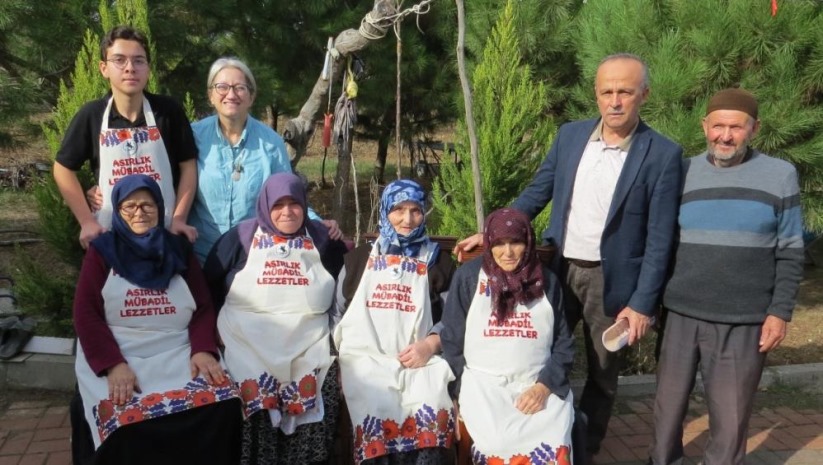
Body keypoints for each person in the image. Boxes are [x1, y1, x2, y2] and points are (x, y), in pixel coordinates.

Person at [455, 53, 683, 458]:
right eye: (606, 91)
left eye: (625, 92)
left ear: (643, 94)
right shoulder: (571, 136)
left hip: (614, 284)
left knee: (603, 371)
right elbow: (537, 192)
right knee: (541, 354)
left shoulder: (662, 154)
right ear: (595, 94)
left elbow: (660, 238)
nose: (615, 101)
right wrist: (493, 233)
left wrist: (642, 303)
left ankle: (584, 447)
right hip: (556, 270)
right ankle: (534, 434)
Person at [648, 88, 804, 465]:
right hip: (682, 313)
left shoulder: (780, 175)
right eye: (718, 125)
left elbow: (791, 250)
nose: (725, 136)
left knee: (731, 418)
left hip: (744, 318)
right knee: (666, 411)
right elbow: (661, 242)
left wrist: (779, 312)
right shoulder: (682, 171)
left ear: (754, 129)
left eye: (736, 127)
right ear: (704, 126)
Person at [73, 174, 243, 465]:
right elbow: (85, 312)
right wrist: (113, 365)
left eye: (148, 205)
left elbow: (202, 305)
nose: (140, 213)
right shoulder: (102, 252)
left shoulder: (178, 249)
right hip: (121, 352)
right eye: (130, 207)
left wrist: (202, 348)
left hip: (177, 349)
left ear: (160, 208)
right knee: (123, 420)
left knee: (222, 403)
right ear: (118, 210)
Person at [203, 172, 346, 465]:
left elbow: (352, 273)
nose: (287, 211)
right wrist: (211, 334)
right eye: (278, 204)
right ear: (265, 205)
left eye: (294, 204)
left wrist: (345, 239)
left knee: (323, 387)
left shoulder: (321, 238)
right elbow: (208, 284)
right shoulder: (240, 238)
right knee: (244, 392)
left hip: (308, 343)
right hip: (246, 344)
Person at [333, 179, 457, 464]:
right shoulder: (358, 260)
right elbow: (337, 314)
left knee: (427, 417)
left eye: (415, 210)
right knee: (375, 412)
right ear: (385, 211)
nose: (407, 218)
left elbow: (454, 318)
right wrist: (342, 359)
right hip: (365, 362)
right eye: (398, 209)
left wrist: (431, 344)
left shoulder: (439, 262)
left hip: (421, 363)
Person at [441, 208, 575, 464]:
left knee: (555, 440)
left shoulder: (548, 282)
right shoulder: (468, 278)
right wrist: (455, 393)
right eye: (500, 243)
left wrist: (544, 386)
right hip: (483, 387)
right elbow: (452, 341)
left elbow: (564, 344)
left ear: (528, 241)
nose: (508, 251)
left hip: (537, 384)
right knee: (497, 444)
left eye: (516, 242)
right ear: (489, 244)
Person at [54, 25, 198, 249]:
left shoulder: (168, 111)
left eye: (139, 61)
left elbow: (188, 165)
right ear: (104, 68)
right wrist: (86, 221)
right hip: (109, 237)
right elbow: (62, 168)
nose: (130, 68)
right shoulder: (91, 115)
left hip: (164, 235)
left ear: (148, 69)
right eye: (119, 60)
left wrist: (179, 219)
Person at [188, 57, 341, 262]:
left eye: (240, 88)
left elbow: (288, 193)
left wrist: (317, 223)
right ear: (210, 96)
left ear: (251, 97)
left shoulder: (270, 143)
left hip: (250, 256)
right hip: (199, 255)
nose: (231, 94)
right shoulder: (192, 137)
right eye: (222, 87)